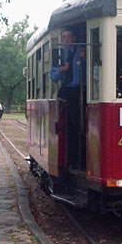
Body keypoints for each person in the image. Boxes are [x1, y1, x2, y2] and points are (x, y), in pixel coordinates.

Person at [50, 27, 85, 167]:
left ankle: (80, 158)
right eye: (63, 37)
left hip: (82, 90)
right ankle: (70, 158)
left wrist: (85, 60)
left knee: (81, 125)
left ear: (74, 38)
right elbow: (53, 76)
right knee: (69, 126)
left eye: (69, 37)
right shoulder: (59, 54)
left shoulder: (81, 51)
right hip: (68, 91)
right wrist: (62, 69)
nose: (66, 40)